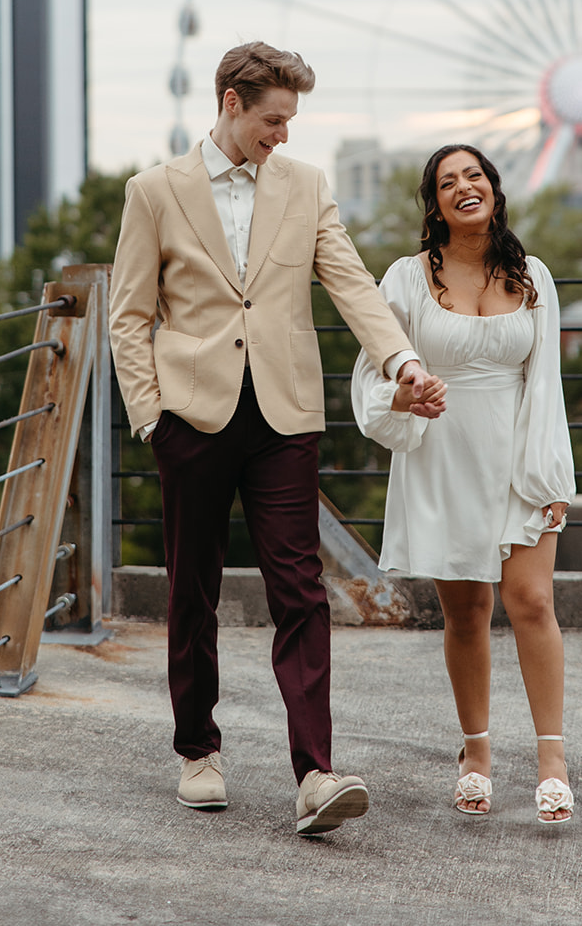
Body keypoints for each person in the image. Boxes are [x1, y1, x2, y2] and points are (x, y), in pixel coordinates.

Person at [109, 41, 446, 837]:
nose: (283, 136)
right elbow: (129, 314)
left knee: (299, 589)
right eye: (272, 119)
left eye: (290, 120)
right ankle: (197, 751)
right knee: (191, 589)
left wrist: (401, 361)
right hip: (190, 417)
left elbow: (352, 283)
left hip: (284, 416)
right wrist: (150, 415)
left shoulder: (306, 187)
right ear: (231, 102)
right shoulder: (153, 192)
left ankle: (316, 775)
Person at [351, 144, 576, 823]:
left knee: (531, 601)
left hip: (517, 456)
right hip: (442, 458)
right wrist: (402, 398)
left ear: (493, 189)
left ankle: (551, 759)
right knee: (467, 614)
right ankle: (474, 752)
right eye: (447, 182)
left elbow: (546, 385)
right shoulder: (405, 279)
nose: (462, 187)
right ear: (435, 205)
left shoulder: (532, 276)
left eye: (472, 175)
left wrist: (550, 473)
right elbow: (372, 373)